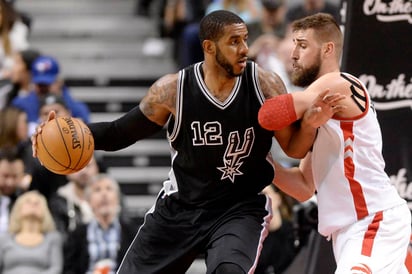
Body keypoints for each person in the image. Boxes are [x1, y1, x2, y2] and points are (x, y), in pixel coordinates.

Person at [33, 10, 327, 273]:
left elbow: (293, 148)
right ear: (209, 48)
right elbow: (120, 132)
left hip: (239, 207)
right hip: (181, 207)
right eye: (234, 42)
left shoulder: (264, 83)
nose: (244, 49)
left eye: (245, 40)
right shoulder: (172, 91)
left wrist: (311, 125)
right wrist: (61, 134)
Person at [258, 13, 411, 273]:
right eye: (294, 44)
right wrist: (263, 164)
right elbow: (304, 187)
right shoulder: (321, 116)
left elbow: (268, 115)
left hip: (373, 220)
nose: (293, 53)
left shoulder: (337, 84)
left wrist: (243, 102)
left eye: (303, 45)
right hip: (353, 229)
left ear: (328, 49)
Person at [63, 174, 135, 274]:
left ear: (118, 199)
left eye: (109, 189)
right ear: (88, 201)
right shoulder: (77, 234)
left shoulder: (132, 232)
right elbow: (69, 269)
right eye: (97, 190)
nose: (104, 194)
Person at [11, 55, 90, 136]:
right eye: (39, 85)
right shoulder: (20, 105)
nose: (43, 89)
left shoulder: (77, 108)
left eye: (46, 84)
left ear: (59, 82)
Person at [0, 190, 63, 274]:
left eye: (37, 203)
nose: (33, 204)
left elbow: (56, 268)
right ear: (18, 209)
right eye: (28, 202)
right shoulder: (4, 238)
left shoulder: (53, 238)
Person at [48, 155, 98, 239]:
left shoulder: (110, 195)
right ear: (67, 172)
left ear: (97, 168)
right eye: (78, 167)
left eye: (88, 166)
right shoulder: (59, 201)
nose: (84, 171)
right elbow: (60, 236)